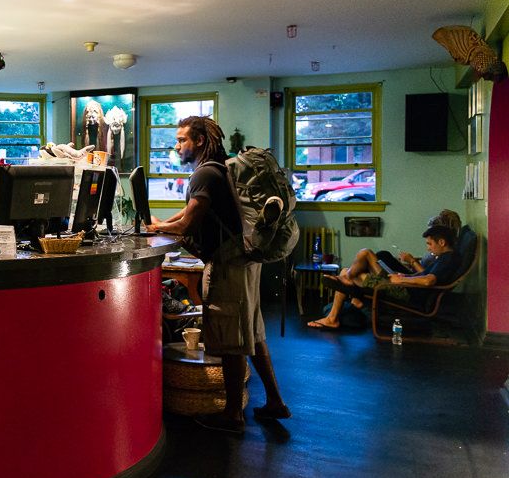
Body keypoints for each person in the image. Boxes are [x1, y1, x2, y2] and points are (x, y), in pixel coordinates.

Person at [148, 116, 289, 433]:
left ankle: (231, 415)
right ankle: (276, 402)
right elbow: (191, 211)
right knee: (252, 332)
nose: (177, 145)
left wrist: (157, 227)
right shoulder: (220, 168)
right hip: (247, 258)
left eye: (182, 139)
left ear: (198, 141)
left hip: (228, 263)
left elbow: (187, 224)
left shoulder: (203, 173)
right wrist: (158, 224)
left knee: (230, 340)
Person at [309, 224, 459, 330]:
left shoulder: (448, 259)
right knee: (365, 253)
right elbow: (425, 275)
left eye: (430, 244)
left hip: (405, 292)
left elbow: (429, 280)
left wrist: (401, 280)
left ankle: (335, 315)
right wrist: (405, 275)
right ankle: (342, 305)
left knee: (345, 273)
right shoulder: (444, 258)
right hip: (404, 285)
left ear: (442, 242)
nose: (428, 247)